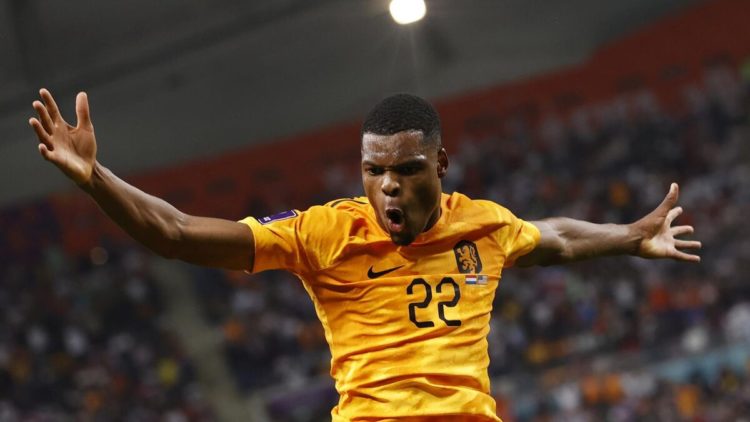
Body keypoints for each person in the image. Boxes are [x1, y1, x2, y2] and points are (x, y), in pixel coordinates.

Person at [29, 89, 701, 421]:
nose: (388, 186)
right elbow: (175, 233)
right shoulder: (324, 233)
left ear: (440, 164)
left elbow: (554, 237)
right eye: (373, 171)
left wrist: (632, 236)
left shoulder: (483, 226)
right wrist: (96, 178)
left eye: (406, 170)